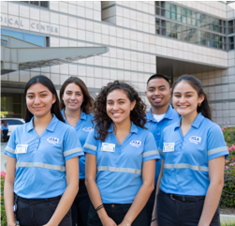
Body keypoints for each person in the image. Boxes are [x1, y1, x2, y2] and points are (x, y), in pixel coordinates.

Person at [4, 75, 83, 226]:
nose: (37, 101)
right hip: (23, 208)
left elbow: (73, 184)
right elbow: (9, 181)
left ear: (53, 98)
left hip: (54, 209)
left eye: (43, 95)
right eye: (31, 96)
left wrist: (52, 223)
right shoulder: (17, 133)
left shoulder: (66, 132)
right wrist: (10, 221)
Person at [152, 75, 229, 226]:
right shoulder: (168, 132)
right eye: (178, 95)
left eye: (188, 95)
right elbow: (162, 175)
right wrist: (155, 216)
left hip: (198, 208)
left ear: (200, 98)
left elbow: (217, 182)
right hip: (166, 207)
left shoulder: (211, 130)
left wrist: (204, 223)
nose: (182, 101)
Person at [84, 80, 160, 226]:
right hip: (100, 210)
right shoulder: (96, 134)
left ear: (132, 105)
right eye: (110, 103)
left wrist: (127, 221)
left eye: (121, 102)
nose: (115, 107)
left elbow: (149, 184)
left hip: (134, 211)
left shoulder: (145, 137)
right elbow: (89, 179)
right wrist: (103, 217)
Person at [145, 74, 180, 225]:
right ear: (146, 93)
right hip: (141, 191)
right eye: (152, 89)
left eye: (162, 89)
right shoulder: (137, 121)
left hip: (170, 192)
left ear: (170, 91)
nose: (157, 93)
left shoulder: (182, 118)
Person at [60, 76, 94, 226]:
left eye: (78, 94)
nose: (73, 98)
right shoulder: (54, 120)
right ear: (62, 96)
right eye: (69, 93)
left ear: (84, 97)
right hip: (61, 184)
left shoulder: (95, 121)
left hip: (88, 184)